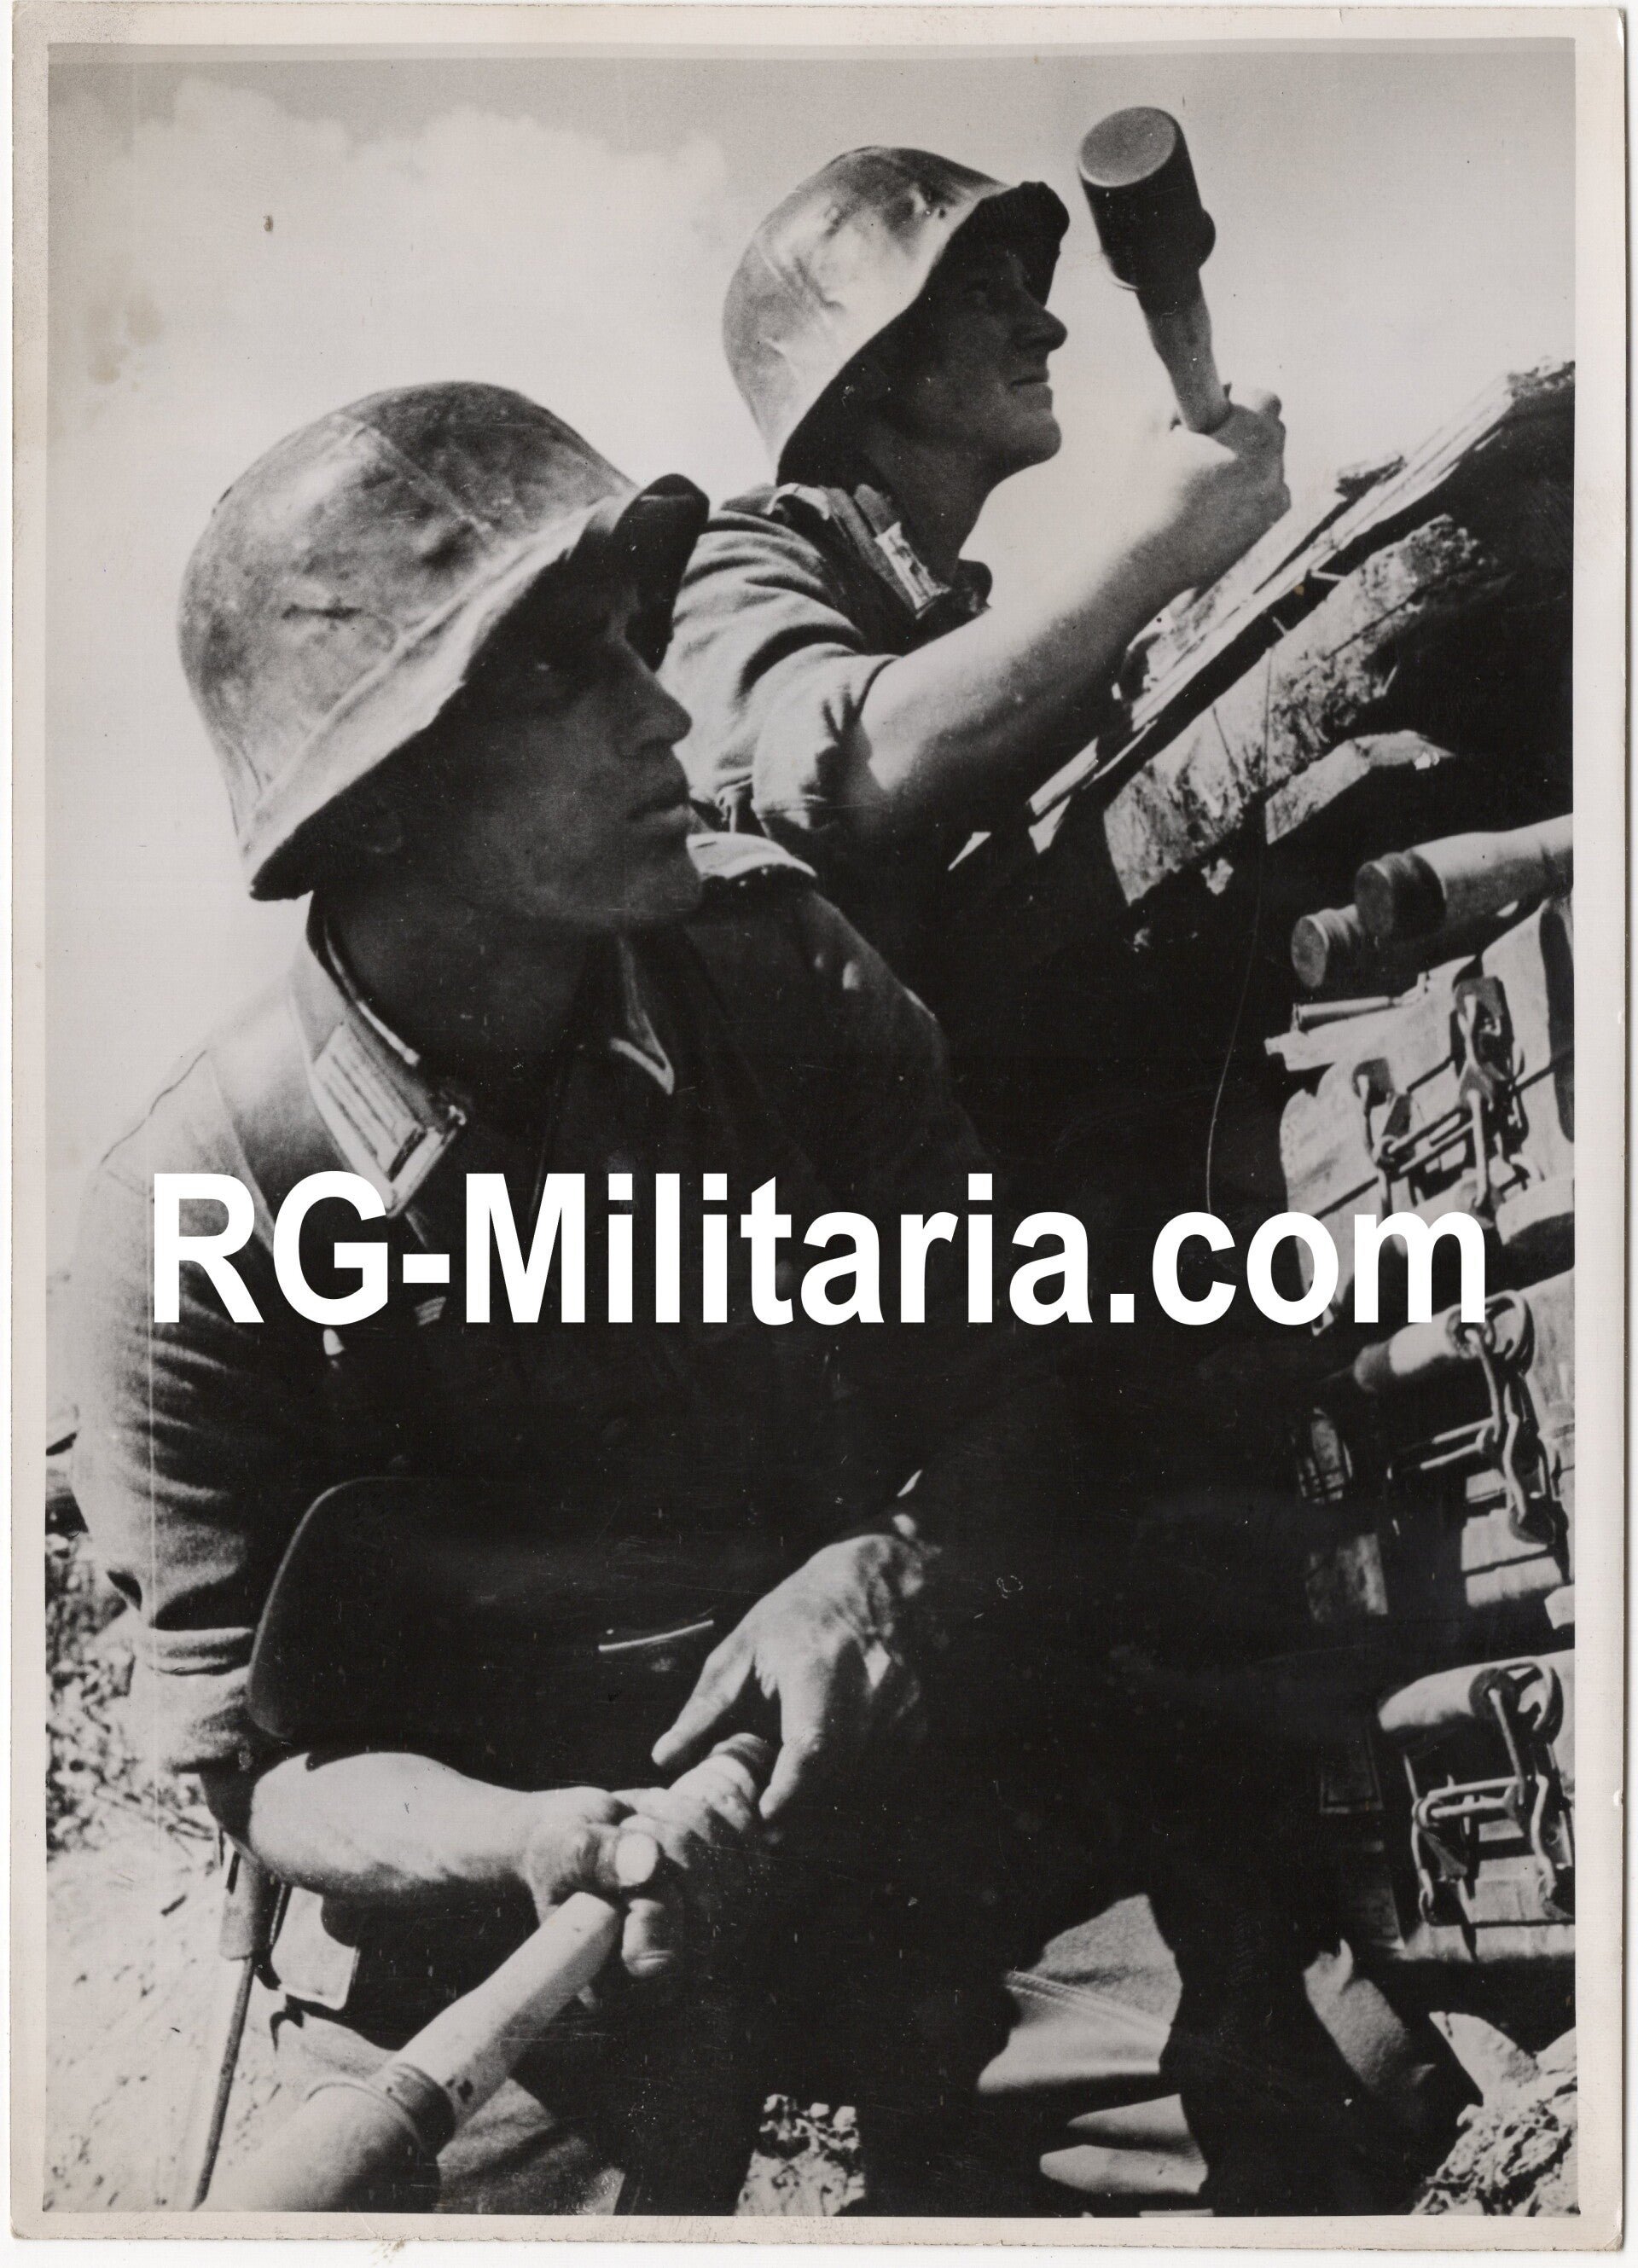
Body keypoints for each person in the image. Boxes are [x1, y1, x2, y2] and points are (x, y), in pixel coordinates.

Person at [72, 384, 1463, 2217]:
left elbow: (1003, 1387)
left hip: (891, 1809)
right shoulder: (197, 1212)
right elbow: (273, 1779)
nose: (664, 708)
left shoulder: (775, 974)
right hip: (509, 1936)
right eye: (568, 677)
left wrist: (889, 1567)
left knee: (1329, 2105)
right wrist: (545, 1841)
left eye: (638, 645)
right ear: (384, 796)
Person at [663, 147, 1289, 975]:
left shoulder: (946, 615)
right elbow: (853, 771)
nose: (1047, 326)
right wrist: (1152, 544)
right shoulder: (734, 571)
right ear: (869, 367)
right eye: (986, 295)